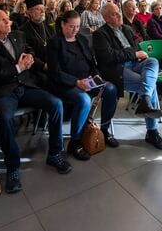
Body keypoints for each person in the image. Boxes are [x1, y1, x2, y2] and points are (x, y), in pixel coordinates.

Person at [0, 11, 71, 184]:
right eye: (3, 21)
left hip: (26, 86)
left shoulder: (18, 36)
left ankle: (55, 153)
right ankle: (12, 166)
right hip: (4, 91)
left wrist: (30, 57)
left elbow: (29, 51)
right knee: (5, 119)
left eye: (8, 19)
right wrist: (18, 68)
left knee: (56, 103)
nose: (9, 22)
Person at [93, 4, 162, 150]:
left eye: (118, 13)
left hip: (134, 63)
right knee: (149, 85)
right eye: (114, 14)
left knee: (153, 61)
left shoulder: (127, 29)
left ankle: (145, 100)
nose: (118, 16)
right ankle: (152, 131)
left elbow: (136, 48)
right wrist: (134, 54)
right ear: (105, 18)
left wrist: (137, 54)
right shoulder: (100, 34)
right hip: (117, 69)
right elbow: (110, 56)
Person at [47, 11, 119, 159]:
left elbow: (91, 62)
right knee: (84, 100)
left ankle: (104, 129)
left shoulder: (81, 38)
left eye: (78, 26)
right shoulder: (55, 42)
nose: (75, 30)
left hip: (86, 80)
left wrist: (96, 74)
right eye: (71, 26)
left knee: (111, 89)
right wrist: (76, 82)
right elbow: (55, 72)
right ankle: (75, 141)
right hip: (65, 84)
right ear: (63, 24)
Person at [19, 0, 55, 84]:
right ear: (29, 13)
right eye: (38, 9)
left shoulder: (48, 26)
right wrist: (43, 66)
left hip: (54, 63)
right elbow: (27, 53)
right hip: (36, 68)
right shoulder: (22, 31)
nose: (43, 11)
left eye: (43, 8)